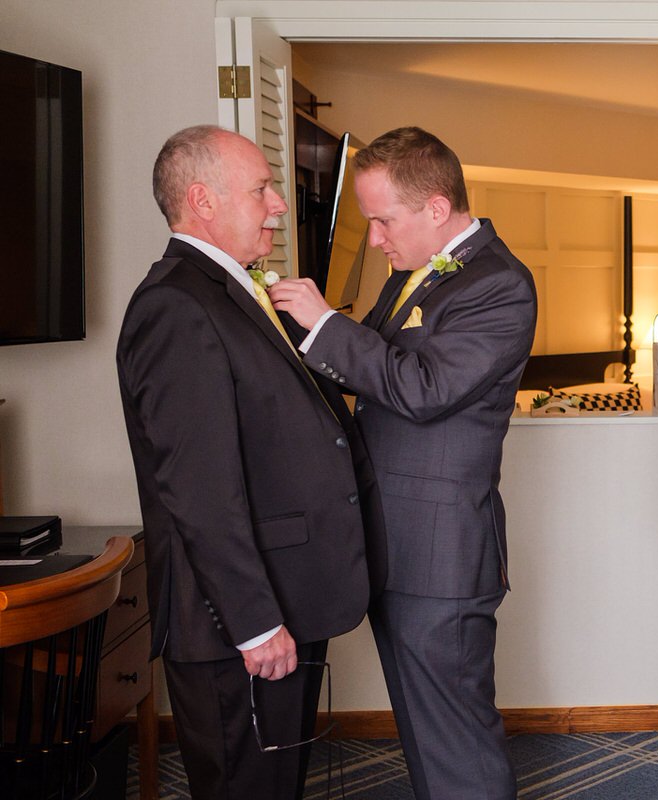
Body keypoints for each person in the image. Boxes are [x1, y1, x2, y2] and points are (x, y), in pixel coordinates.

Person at [270, 126, 537, 800]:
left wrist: (327, 323)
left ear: (436, 208)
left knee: (456, 740)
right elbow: (380, 375)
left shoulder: (500, 283)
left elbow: (421, 390)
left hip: (441, 553)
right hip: (398, 543)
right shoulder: (410, 273)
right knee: (426, 733)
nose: (378, 237)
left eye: (384, 220)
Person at [116, 125, 380, 799]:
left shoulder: (237, 291)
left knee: (278, 784)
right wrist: (255, 622)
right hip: (239, 621)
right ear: (202, 201)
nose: (278, 205)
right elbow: (200, 488)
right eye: (262, 188)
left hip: (287, 594)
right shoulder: (175, 305)